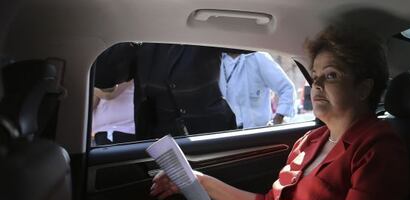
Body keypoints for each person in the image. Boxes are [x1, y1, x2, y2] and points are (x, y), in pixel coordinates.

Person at [147, 24, 410, 200]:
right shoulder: (311, 140)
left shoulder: (378, 148)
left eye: (330, 76)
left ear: (363, 88)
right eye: (315, 74)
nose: (316, 85)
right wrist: (199, 182)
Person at [94, 43, 249, 140]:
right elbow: (104, 75)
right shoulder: (142, 38)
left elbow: (248, 39)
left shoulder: (202, 22)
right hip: (160, 143)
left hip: (211, 136)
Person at [219, 52, 296, 128]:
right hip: (228, 134)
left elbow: (287, 89)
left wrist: (277, 121)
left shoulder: (258, 57)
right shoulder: (216, 60)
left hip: (258, 134)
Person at [92, 79, 136, 145]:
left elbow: (109, 95)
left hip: (124, 132)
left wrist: (89, 86)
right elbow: (90, 106)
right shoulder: (97, 81)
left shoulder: (127, 74)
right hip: (100, 134)